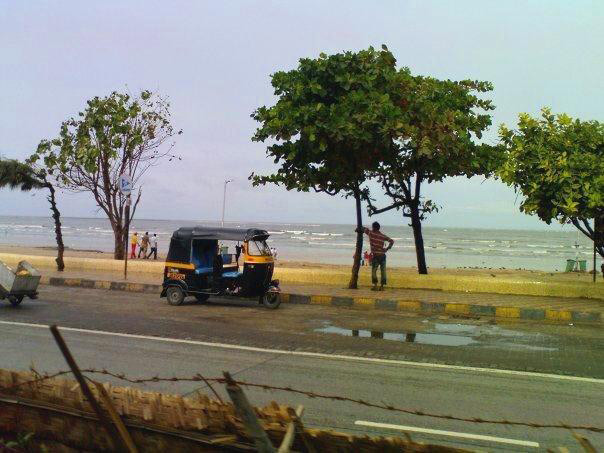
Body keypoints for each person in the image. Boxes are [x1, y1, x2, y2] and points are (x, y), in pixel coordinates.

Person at [358, 222, 394, 291]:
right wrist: (387, 248)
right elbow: (392, 241)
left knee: (374, 271)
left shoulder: (371, 233)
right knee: (383, 271)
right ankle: (382, 287)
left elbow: (363, 229)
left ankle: (375, 286)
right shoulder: (383, 236)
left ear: (373, 227)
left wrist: (358, 228)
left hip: (376, 256)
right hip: (383, 256)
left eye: (372, 227)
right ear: (379, 228)